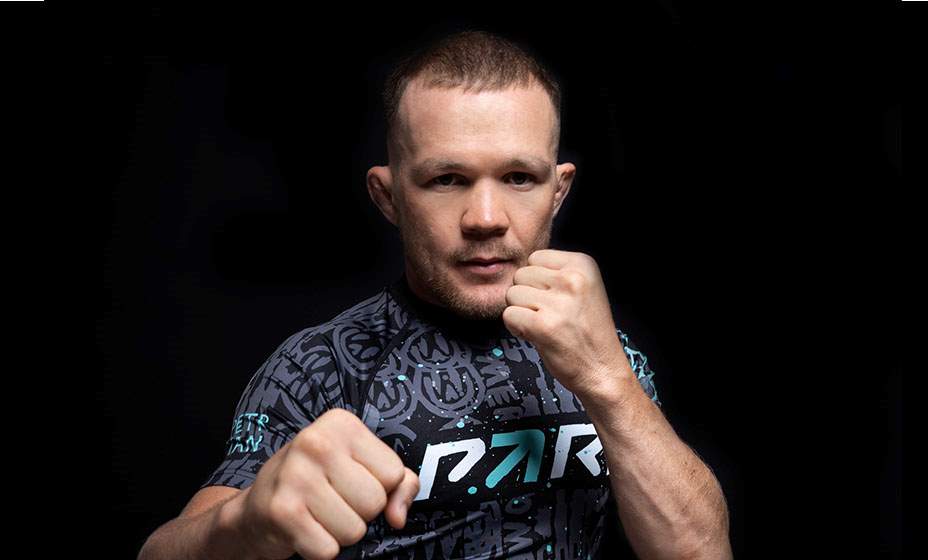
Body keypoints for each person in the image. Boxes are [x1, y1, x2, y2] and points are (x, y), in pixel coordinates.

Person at [138, 29, 732, 560]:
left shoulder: (607, 353)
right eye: (447, 179)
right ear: (388, 197)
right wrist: (245, 523)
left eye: (519, 177)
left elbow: (701, 550)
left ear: (558, 190)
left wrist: (608, 381)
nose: (486, 218)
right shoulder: (318, 367)